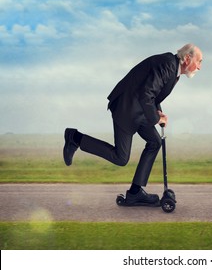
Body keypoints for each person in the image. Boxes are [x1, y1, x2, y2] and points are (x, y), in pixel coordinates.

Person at [63, 43, 203, 206]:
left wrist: (158, 112)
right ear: (187, 58)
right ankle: (75, 138)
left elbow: (152, 94)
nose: (199, 67)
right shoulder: (168, 65)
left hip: (140, 108)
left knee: (154, 142)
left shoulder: (173, 68)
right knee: (120, 158)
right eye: (199, 61)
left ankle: (135, 193)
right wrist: (156, 119)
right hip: (126, 107)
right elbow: (147, 93)